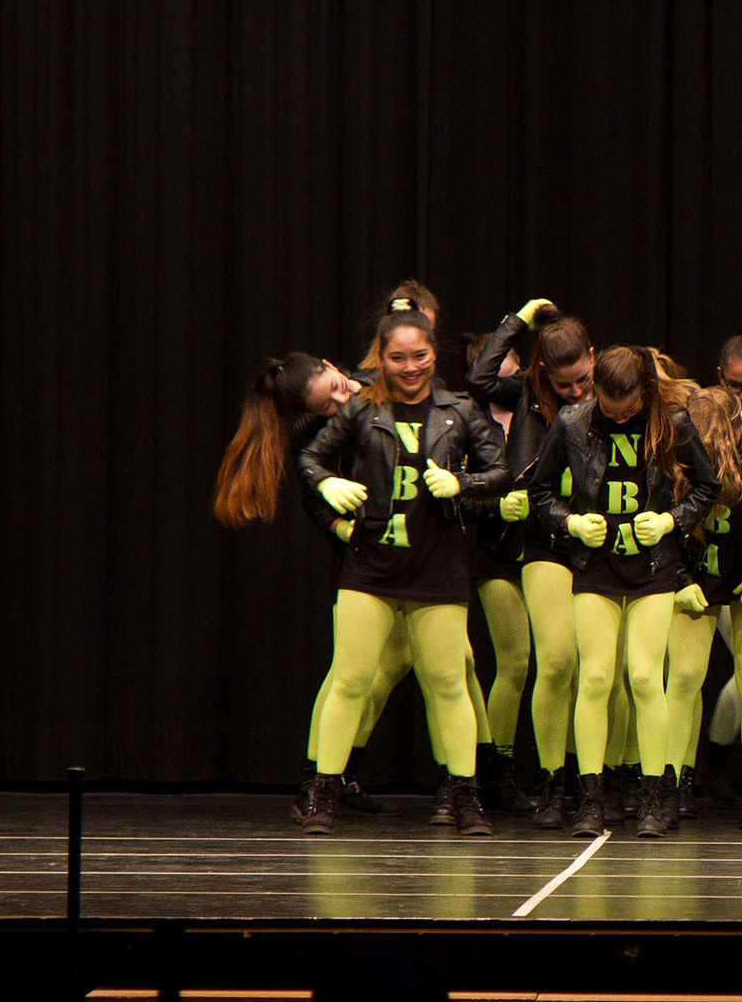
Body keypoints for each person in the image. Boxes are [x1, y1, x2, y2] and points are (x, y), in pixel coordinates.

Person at [297, 306, 509, 835]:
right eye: (397, 357)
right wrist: (326, 483)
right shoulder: (362, 409)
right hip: (371, 563)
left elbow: (501, 473)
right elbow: (310, 458)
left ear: (434, 352)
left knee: (448, 684)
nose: (410, 367)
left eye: (419, 355)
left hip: (438, 564)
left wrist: (464, 484)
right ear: (382, 357)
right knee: (350, 679)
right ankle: (322, 791)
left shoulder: (460, 410)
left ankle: (465, 795)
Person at [529, 346, 719, 838]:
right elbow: (540, 492)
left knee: (644, 677)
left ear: (645, 392)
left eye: (628, 409)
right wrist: (571, 522)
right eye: (610, 409)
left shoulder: (672, 421)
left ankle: (653, 795)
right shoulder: (572, 422)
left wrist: (671, 521)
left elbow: (708, 487)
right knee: (595, 677)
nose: (619, 417)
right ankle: (591, 798)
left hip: (653, 566)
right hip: (595, 564)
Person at [213, 354, 413, 821]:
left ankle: (344, 771)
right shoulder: (318, 433)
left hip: (410, 545)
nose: (341, 403)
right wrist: (340, 528)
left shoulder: (378, 385)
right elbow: (312, 497)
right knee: (350, 670)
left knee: (396, 660)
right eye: (327, 406)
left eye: (339, 388)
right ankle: (317, 778)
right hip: (362, 549)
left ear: (332, 365)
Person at [466, 300, 595, 827]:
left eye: (583, 379)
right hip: (532, 539)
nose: (577, 392)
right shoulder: (525, 393)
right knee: (549, 660)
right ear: (543, 373)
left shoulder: (604, 399)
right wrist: (518, 320)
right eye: (565, 384)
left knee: (585, 666)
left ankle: (585, 777)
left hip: (589, 538)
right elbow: (479, 377)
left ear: (594, 358)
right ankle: (540, 779)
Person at [667, 385, 742, 829]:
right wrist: (680, 579)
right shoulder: (678, 438)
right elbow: (660, 515)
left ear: (741, 421)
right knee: (684, 677)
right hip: (698, 570)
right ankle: (673, 782)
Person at [459, 331, 537, 815]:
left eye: (510, 363)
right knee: (515, 660)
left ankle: (569, 772)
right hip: (493, 551)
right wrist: (494, 506)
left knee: (562, 661)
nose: (506, 375)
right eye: (494, 367)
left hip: (545, 546)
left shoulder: (536, 409)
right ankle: (496, 770)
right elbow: (454, 490)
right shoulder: (468, 419)